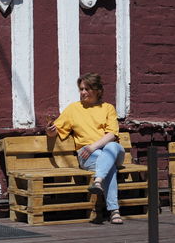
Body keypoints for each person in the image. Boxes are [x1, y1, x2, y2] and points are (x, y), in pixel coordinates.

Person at [45, 73, 125, 224]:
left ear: (98, 90)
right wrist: (50, 130)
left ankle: (98, 180)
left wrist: (93, 146)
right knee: (110, 167)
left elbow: (112, 134)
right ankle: (114, 211)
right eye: (81, 89)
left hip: (109, 151)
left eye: (87, 89)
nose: (83, 92)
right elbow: (55, 130)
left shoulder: (108, 108)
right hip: (88, 155)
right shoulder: (74, 109)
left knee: (112, 146)